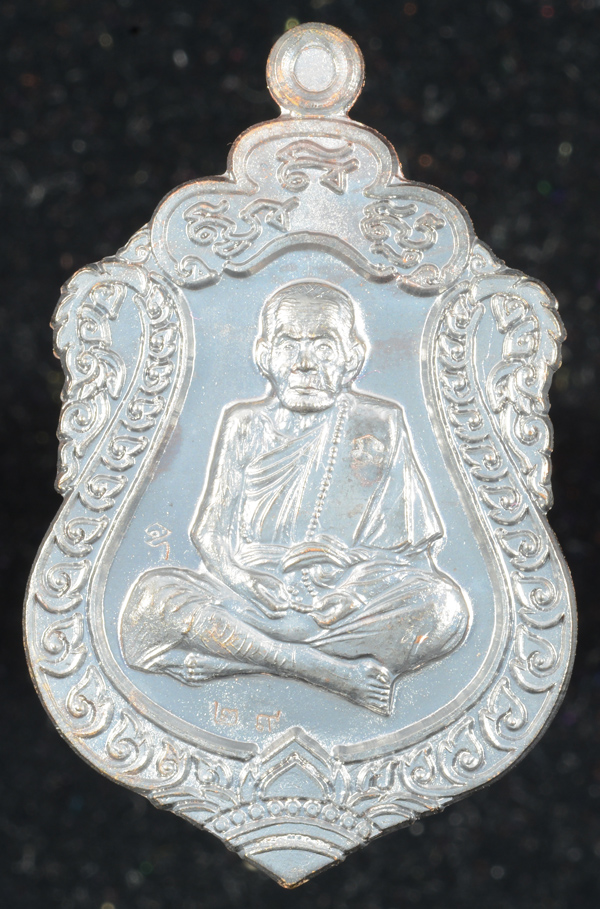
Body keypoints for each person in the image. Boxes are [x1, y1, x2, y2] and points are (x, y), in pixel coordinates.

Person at [119, 280, 469, 715]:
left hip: (337, 610)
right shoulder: (245, 423)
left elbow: (413, 557)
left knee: (444, 607)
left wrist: (351, 588)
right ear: (264, 356)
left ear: (352, 357)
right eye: (289, 346)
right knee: (151, 600)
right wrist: (244, 581)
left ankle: (243, 660)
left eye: (323, 347)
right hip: (250, 603)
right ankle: (321, 670)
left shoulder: (380, 423)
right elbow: (209, 534)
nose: (304, 363)